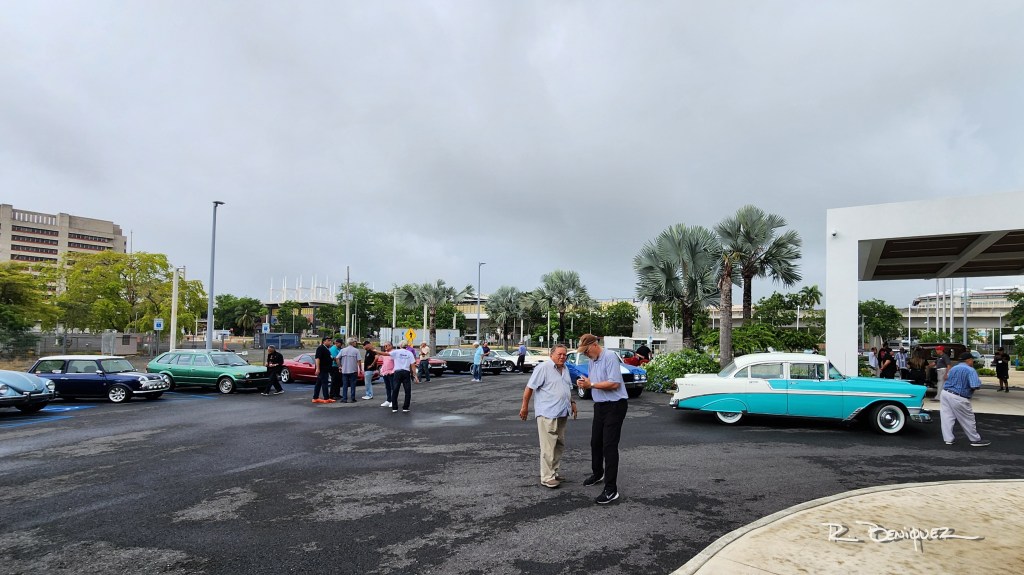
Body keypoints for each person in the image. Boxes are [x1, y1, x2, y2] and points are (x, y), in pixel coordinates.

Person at [574, 333, 627, 505]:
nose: (585, 354)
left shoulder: (609, 357)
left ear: (594, 345)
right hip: (600, 405)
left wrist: (591, 385)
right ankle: (598, 473)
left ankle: (611, 489)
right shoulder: (592, 360)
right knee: (595, 442)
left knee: (609, 446)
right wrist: (586, 383)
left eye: (586, 351)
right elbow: (595, 381)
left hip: (615, 405)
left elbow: (614, 383)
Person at [519, 344, 577, 488]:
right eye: (559, 354)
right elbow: (529, 388)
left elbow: (566, 389)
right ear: (551, 355)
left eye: (564, 354)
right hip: (547, 413)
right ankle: (547, 477)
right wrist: (524, 407)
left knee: (559, 444)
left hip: (562, 412)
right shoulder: (543, 368)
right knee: (548, 447)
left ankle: (554, 472)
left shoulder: (565, 369)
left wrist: (572, 403)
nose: (562, 357)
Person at [939, 352, 990, 447]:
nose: (973, 361)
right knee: (968, 419)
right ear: (968, 360)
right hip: (959, 396)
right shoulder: (970, 370)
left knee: (947, 417)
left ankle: (948, 439)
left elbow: (947, 378)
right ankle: (975, 440)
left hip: (945, 393)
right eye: (972, 360)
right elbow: (975, 385)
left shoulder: (953, 368)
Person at [377, 342, 418, 412]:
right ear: (406, 346)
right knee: (407, 391)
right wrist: (415, 375)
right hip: (406, 372)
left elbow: (385, 354)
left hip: (397, 372)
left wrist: (375, 350)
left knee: (395, 390)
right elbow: (413, 365)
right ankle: (405, 407)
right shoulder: (409, 353)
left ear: (400, 346)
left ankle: (394, 407)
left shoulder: (396, 352)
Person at [312, 337, 336, 404]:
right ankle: (326, 398)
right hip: (322, 369)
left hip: (326, 369)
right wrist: (317, 368)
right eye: (328, 340)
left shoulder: (327, 349)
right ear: (324, 341)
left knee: (318, 383)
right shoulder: (321, 348)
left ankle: (315, 397)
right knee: (324, 383)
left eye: (330, 340)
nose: (330, 342)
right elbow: (317, 358)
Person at [338, 338, 362, 403]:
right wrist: (360, 369)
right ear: (352, 343)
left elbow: (337, 358)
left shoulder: (343, 350)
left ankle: (344, 398)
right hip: (353, 370)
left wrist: (340, 366)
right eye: (355, 342)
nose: (355, 343)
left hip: (344, 370)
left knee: (345, 385)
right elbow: (359, 360)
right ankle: (352, 398)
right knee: (353, 385)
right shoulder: (356, 350)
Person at [379, 343, 396, 408]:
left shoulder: (394, 353)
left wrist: (393, 371)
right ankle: (388, 400)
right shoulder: (384, 354)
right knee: (387, 387)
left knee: (393, 387)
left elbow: (396, 363)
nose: (385, 347)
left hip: (391, 373)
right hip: (385, 373)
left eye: (386, 345)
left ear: (391, 346)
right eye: (384, 346)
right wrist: (382, 370)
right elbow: (384, 363)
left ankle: (393, 401)